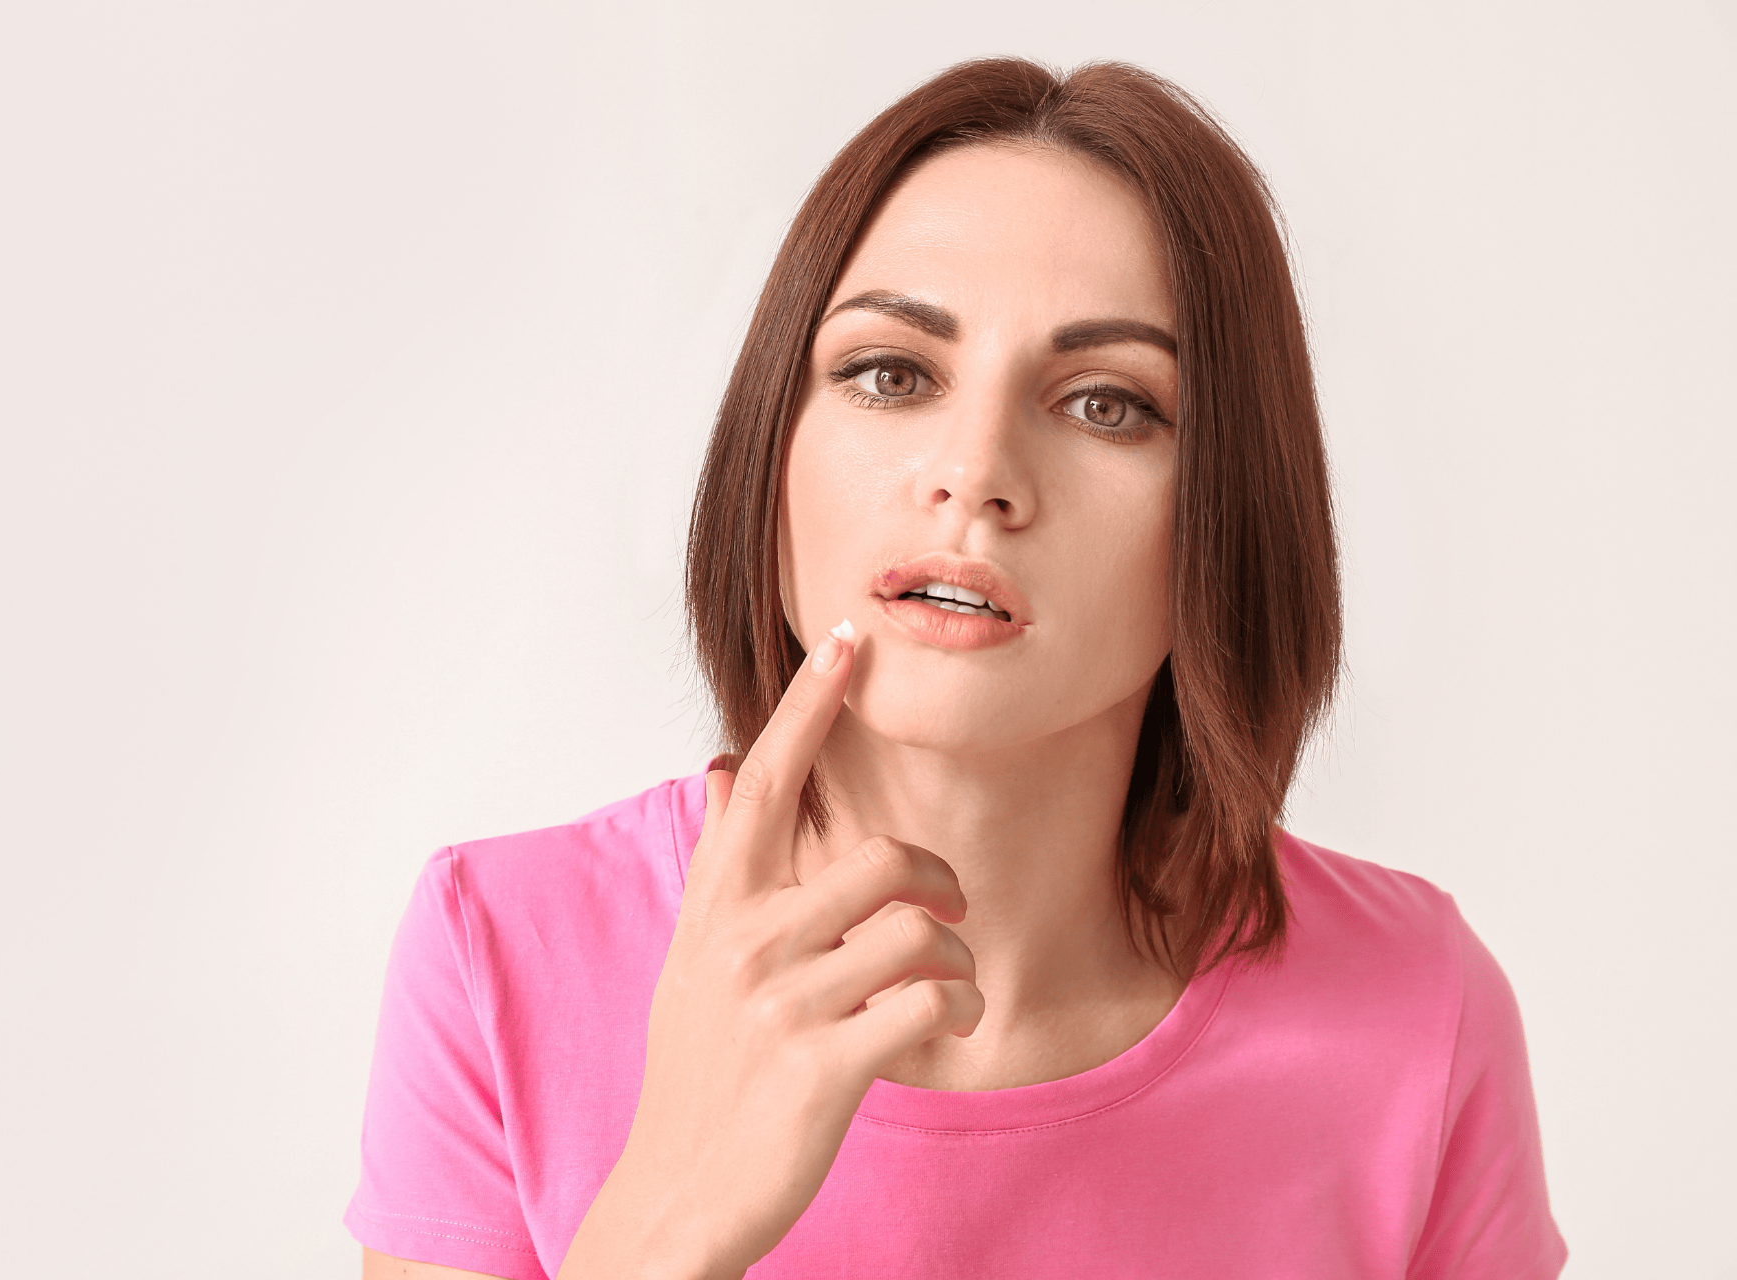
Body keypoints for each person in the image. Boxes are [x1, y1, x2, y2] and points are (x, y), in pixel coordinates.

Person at [345, 58, 1565, 1279]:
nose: (975, 469)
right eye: (892, 374)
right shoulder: (499, 953)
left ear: (1230, 512)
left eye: (1106, 405)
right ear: (772, 449)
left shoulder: (1418, 1012)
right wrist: (665, 1217)